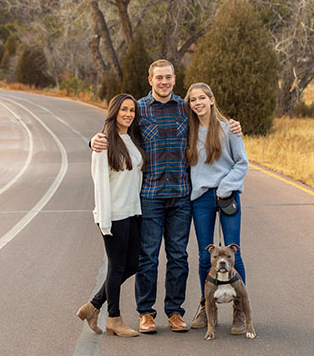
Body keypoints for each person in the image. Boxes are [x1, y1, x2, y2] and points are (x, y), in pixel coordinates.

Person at [90, 60, 242, 334]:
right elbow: (117, 129)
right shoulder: (139, 108)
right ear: (150, 80)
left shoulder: (185, 108)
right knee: (148, 257)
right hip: (150, 195)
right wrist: (92, 141)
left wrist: (233, 127)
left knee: (178, 257)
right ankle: (146, 313)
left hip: (182, 196)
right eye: (159, 77)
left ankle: (175, 312)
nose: (164, 82)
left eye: (168, 78)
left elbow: (209, 118)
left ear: (174, 79)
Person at [77, 93, 146, 337]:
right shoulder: (104, 143)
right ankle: (113, 319)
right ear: (114, 111)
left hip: (131, 212)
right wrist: (105, 221)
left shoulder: (132, 139)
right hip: (113, 214)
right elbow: (101, 185)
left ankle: (93, 306)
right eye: (124, 109)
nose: (128, 114)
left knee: (133, 263)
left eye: (132, 110)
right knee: (117, 267)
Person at [184, 82, 249, 335]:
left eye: (202, 98)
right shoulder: (188, 131)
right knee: (204, 255)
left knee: (234, 252)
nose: (197, 103)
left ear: (211, 99)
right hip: (200, 198)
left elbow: (242, 163)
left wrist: (225, 187)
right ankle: (206, 305)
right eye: (193, 100)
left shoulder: (228, 129)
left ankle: (239, 308)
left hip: (227, 195)